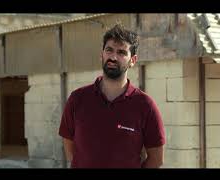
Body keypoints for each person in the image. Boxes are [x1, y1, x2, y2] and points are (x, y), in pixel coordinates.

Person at [58, 23, 166, 168]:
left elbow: (156, 159)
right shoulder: (77, 99)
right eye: (109, 50)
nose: (113, 57)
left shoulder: (145, 105)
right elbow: (70, 148)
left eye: (121, 52)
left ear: (132, 60)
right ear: (101, 55)